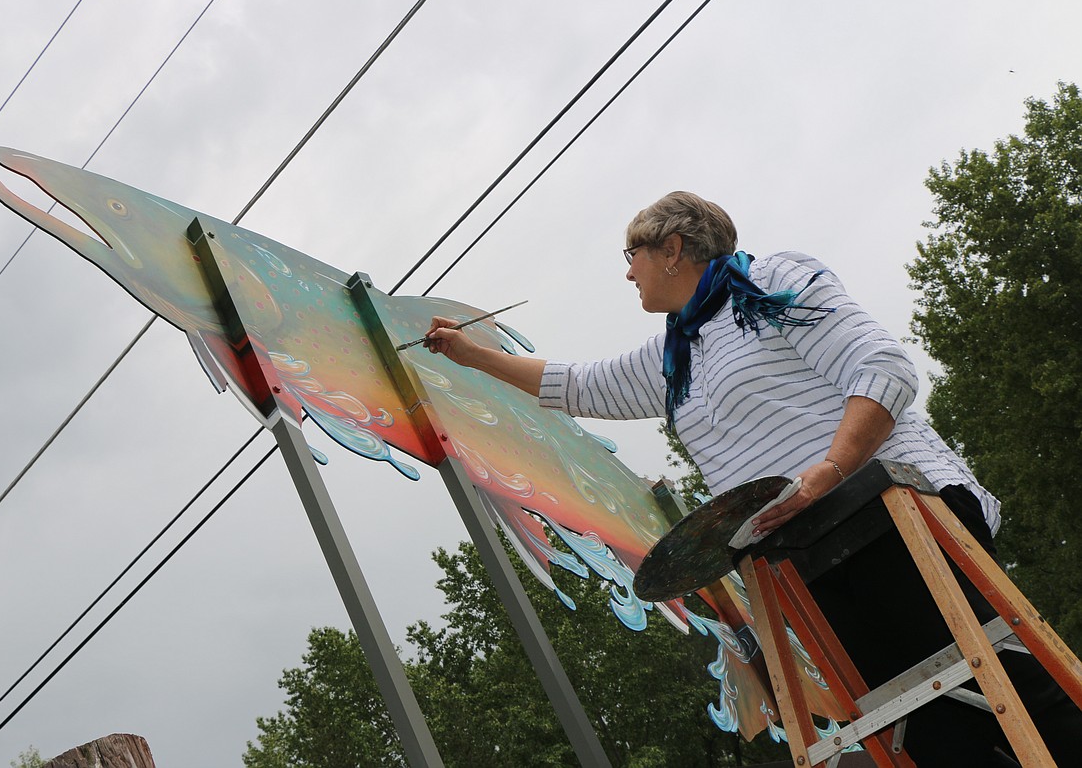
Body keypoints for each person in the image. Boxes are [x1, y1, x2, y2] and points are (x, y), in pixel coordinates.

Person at [422, 191, 1079, 765]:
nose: (627, 274)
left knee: (1012, 688)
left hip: (888, 511)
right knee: (924, 730)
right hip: (805, 554)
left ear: (674, 248)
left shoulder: (772, 285)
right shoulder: (675, 352)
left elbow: (884, 370)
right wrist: (472, 355)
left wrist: (827, 471)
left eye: (633, 254)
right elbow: (579, 385)